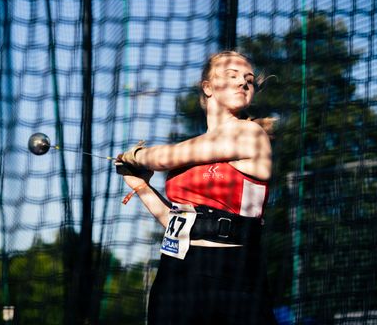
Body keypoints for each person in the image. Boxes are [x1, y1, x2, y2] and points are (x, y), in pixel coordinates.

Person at [117, 51, 278, 324]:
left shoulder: (250, 134)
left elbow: (162, 158)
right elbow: (176, 221)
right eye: (232, 76)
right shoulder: (193, 149)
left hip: (231, 272)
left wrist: (136, 155)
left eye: (249, 80)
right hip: (176, 271)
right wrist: (142, 189)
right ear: (208, 87)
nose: (243, 83)